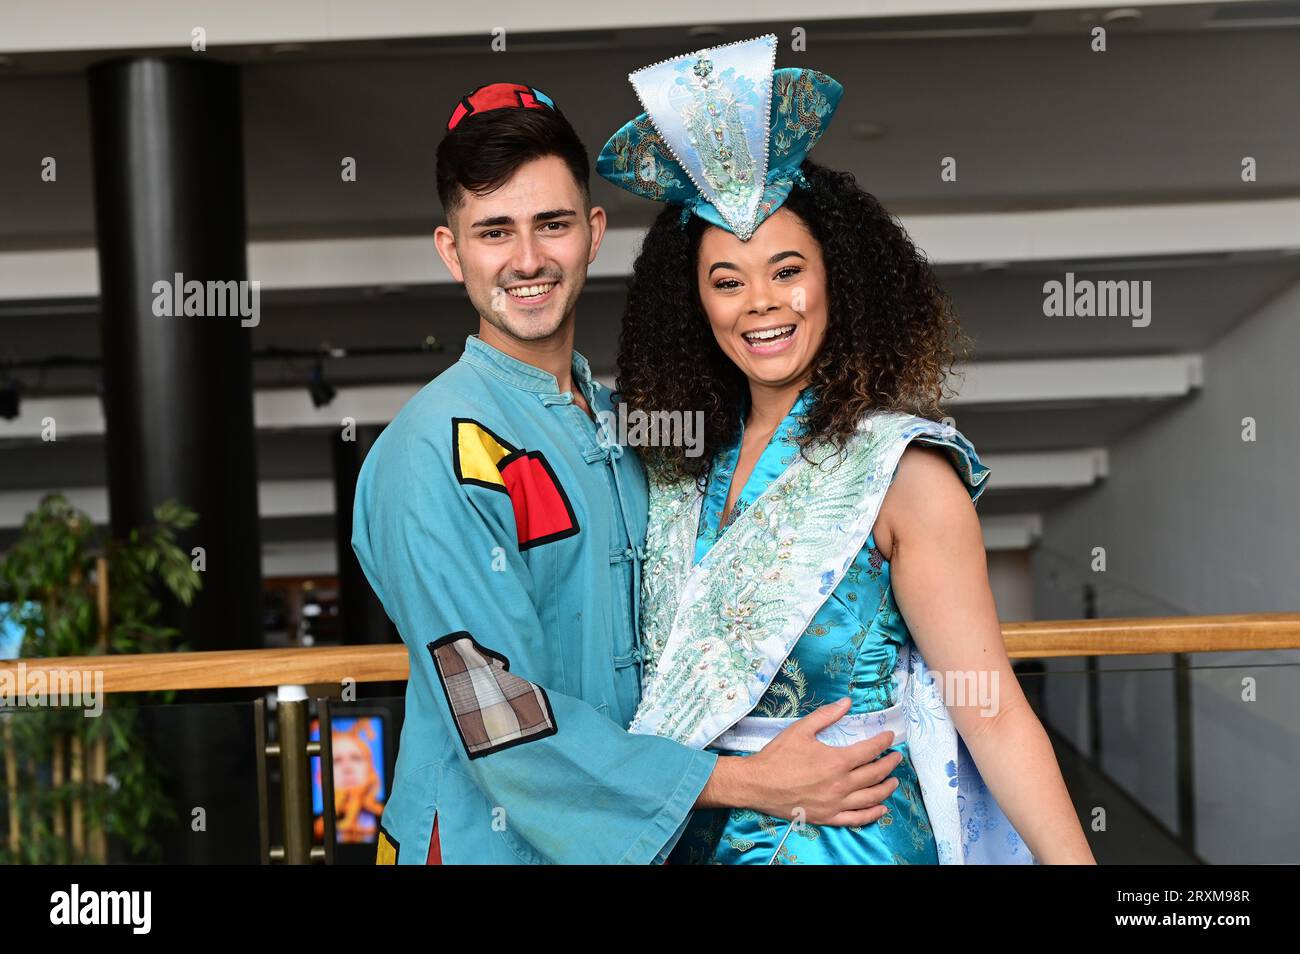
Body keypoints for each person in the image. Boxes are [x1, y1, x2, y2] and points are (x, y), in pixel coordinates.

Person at [351, 81, 901, 864]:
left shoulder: (632, 428)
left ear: (594, 232)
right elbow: (497, 715)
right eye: (495, 232)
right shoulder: (427, 451)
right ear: (452, 250)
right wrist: (744, 782)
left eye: (553, 224)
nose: (529, 259)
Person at [597, 34, 1095, 864]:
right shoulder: (679, 468)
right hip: (692, 837)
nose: (761, 303)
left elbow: (990, 705)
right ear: (693, 306)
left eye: (786, 270)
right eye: (727, 281)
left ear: (838, 277)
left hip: (846, 844)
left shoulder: (905, 472)